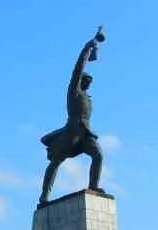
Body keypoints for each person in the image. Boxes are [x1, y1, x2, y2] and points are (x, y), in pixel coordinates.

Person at [39, 27, 107, 205]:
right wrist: (87, 49)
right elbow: (78, 69)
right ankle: (44, 195)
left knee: (98, 155)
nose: (88, 83)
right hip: (71, 133)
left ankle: (93, 186)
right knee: (55, 163)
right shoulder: (74, 91)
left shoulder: (87, 98)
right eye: (86, 80)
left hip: (84, 134)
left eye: (89, 82)